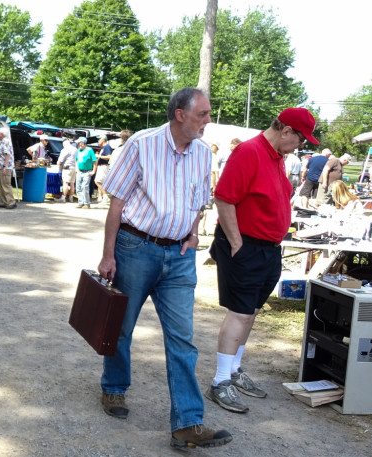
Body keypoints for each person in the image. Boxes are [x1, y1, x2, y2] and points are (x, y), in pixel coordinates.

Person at [97, 87, 232, 449]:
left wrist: (192, 234)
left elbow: (198, 201)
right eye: (202, 114)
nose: (208, 121)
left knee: (182, 340)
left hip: (179, 258)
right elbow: (116, 203)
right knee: (122, 328)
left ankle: (188, 423)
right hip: (135, 248)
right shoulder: (142, 144)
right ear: (179, 115)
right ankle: (113, 387)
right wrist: (108, 255)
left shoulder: (204, 154)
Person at [209, 107, 318, 415]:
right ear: (286, 131)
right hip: (247, 245)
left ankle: (233, 369)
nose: (299, 146)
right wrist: (236, 243)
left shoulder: (275, 157)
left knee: (251, 312)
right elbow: (224, 197)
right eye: (300, 139)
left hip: (267, 248)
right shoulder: (250, 151)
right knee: (240, 313)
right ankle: (219, 381)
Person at [75, 137, 95, 208]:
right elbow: (76, 160)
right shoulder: (78, 151)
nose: (79, 144)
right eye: (78, 143)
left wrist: (93, 171)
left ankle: (87, 203)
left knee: (84, 187)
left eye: (80, 143)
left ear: (83, 143)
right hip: (79, 171)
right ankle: (81, 202)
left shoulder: (89, 150)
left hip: (87, 171)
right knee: (78, 188)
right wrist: (76, 169)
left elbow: (94, 161)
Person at [93, 136, 113, 203]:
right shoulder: (103, 148)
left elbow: (109, 156)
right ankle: (100, 197)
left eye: (99, 139)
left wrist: (99, 156)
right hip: (100, 166)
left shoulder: (107, 147)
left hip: (104, 166)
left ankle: (105, 195)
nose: (98, 140)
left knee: (97, 181)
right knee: (100, 182)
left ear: (103, 140)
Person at [57, 137, 78, 203]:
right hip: (74, 168)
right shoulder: (75, 149)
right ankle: (71, 197)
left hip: (67, 168)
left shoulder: (65, 150)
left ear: (64, 144)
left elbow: (60, 161)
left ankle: (63, 198)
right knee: (72, 183)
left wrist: (58, 163)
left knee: (65, 183)